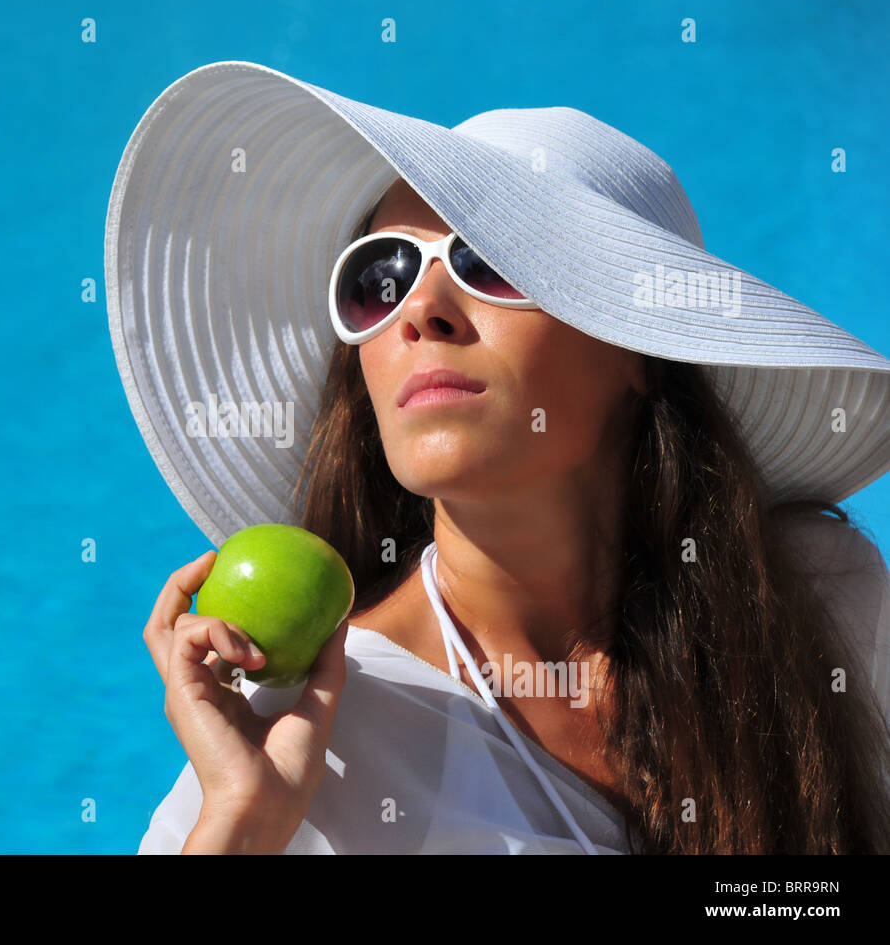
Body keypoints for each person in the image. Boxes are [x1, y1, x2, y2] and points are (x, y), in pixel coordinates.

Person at [106, 61, 890, 853]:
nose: (420, 312)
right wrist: (243, 820)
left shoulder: (822, 601)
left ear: (641, 350)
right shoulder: (314, 731)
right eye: (381, 278)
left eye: (491, 258)